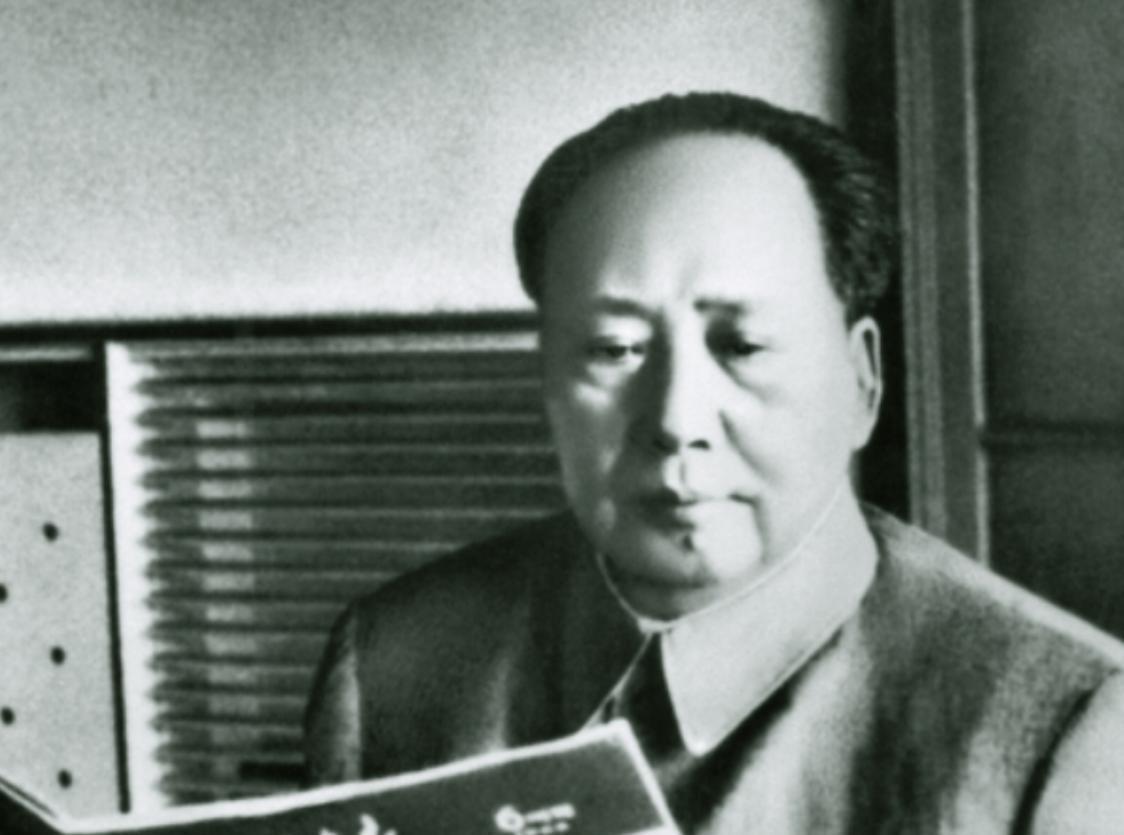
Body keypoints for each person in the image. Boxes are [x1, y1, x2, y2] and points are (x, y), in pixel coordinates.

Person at [304, 92, 1124, 832]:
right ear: (546, 382)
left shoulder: (1068, 722)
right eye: (614, 348)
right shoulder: (392, 661)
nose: (675, 421)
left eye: (744, 345)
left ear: (862, 381)